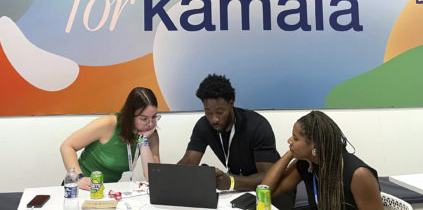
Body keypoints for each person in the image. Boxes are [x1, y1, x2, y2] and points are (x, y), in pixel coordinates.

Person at [177, 74, 295, 209]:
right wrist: (172, 176)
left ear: (231, 103)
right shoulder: (204, 126)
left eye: (220, 112)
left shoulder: (256, 126)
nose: (214, 119)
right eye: (208, 112)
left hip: (273, 192)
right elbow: (188, 162)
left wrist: (231, 182)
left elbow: (267, 178)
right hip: (240, 191)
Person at [261, 110, 383, 210]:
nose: (289, 140)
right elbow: (266, 192)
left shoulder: (358, 174)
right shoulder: (307, 163)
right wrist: (289, 155)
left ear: (315, 145)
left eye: (296, 138)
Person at [60, 87, 160, 190]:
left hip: (106, 190)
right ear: (130, 115)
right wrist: (79, 179)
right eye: (144, 119)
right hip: (81, 186)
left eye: (154, 117)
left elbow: (153, 178)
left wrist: (143, 142)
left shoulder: (150, 135)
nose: (151, 123)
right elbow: (67, 146)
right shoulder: (108, 124)